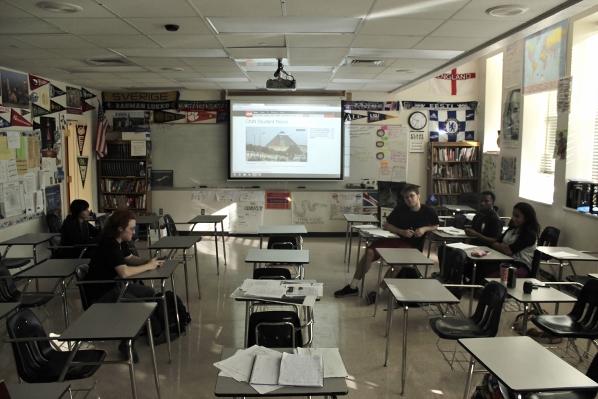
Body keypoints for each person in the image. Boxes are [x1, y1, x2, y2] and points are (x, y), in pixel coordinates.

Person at [84, 210, 164, 361]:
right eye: (131, 229)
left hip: (113, 286)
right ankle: (126, 344)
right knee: (141, 307)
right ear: (120, 228)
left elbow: (129, 258)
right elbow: (125, 272)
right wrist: (148, 267)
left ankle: (149, 329)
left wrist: (149, 262)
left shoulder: (120, 241)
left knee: (150, 292)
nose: (134, 232)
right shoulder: (109, 243)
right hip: (101, 292)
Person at [334, 184, 439, 298]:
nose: (409, 199)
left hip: (411, 245)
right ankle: (353, 287)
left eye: (411, 196)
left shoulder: (429, 211)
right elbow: (386, 225)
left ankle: (378, 293)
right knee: (369, 252)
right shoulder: (400, 208)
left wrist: (424, 229)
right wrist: (402, 232)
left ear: (418, 196)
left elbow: (436, 225)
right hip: (394, 240)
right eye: (406, 197)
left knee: (397, 264)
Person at [467, 202, 539, 282]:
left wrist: (499, 245)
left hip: (519, 265)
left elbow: (508, 251)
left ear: (527, 218)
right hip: (504, 260)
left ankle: (482, 290)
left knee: (488, 274)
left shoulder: (529, 234)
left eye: (517, 216)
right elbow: (497, 241)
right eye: (513, 215)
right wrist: (499, 245)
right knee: (477, 266)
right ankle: (473, 289)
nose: (513, 218)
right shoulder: (513, 228)